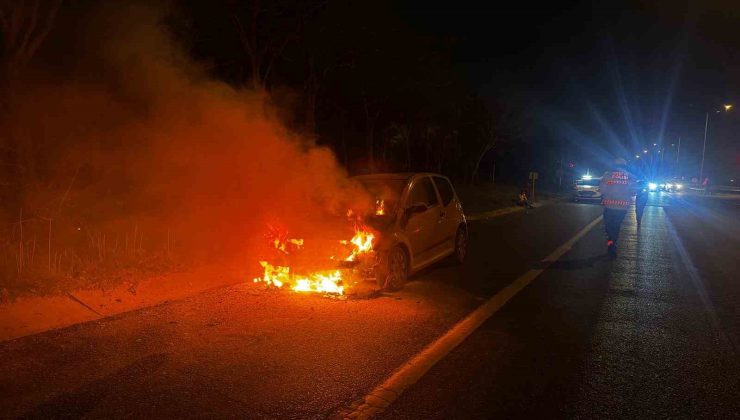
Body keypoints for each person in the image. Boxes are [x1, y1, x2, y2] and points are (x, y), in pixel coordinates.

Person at [599, 158, 637, 257]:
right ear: (625, 166)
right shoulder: (631, 177)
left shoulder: (608, 175)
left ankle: (611, 244)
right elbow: (633, 192)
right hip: (622, 209)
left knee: (609, 229)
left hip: (609, 207)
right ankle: (613, 244)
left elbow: (601, 190)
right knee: (616, 227)